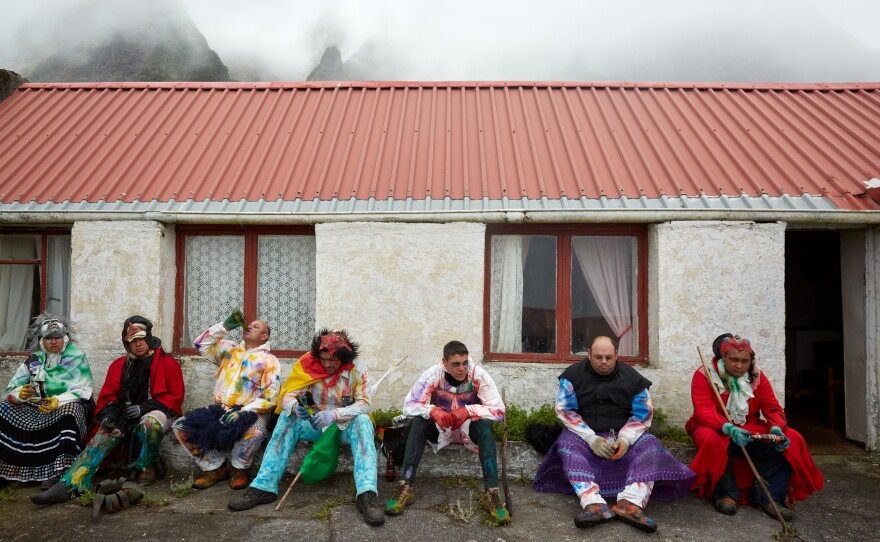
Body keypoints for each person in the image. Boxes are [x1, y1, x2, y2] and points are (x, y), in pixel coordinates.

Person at [533, 336, 696, 533]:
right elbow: (565, 410)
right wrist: (590, 438)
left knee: (651, 443)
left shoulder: (633, 379)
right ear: (589, 355)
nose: (604, 362)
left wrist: (626, 439)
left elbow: (643, 413)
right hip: (586, 437)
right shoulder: (572, 376)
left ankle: (630, 503)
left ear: (617, 356)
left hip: (623, 436)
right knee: (566, 443)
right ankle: (594, 504)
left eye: (609, 357)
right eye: (598, 357)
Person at [228, 329, 384, 526]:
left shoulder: (357, 369)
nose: (327, 364)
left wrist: (333, 415)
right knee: (287, 419)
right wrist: (293, 406)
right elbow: (288, 395)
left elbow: (365, 404)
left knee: (363, 421)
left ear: (343, 358)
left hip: (345, 424)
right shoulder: (307, 362)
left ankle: (367, 495)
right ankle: (263, 487)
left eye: (332, 360)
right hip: (316, 423)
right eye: (323, 359)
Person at [30, 315, 185, 505]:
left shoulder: (168, 363)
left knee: (149, 422)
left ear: (149, 338)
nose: (137, 344)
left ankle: (149, 466)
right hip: (125, 415)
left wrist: (144, 407)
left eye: (141, 339)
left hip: (159, 413)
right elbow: (108, 397)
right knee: (103, 434)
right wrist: (108, 415)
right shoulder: (119, 365)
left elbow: (175, 397)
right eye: (132, 341)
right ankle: (71, 483)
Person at [686, 334, 823, 520]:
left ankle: (769, 497)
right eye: (733, 360)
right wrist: (728, 428)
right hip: (714, 425)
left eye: (745, 361)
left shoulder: (757, 376)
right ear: (722, 358)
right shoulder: (705, 374)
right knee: (712, 439)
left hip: (750, 425)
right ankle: (726, 495)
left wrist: (776, 427)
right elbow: (703, 410)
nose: (739, 366)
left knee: (792, 439)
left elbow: (772, 407)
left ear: (751, 361)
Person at [384, 340, 510, 525]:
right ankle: (405, 486)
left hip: (468, 428)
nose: (462, 368)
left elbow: (499, 411)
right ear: (444, 363)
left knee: (485, 427)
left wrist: (469, 411)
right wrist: (432, 411)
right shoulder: (433, 374)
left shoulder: (477, 375)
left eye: (465, 363)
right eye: (456, 364)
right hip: (441, 428)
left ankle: (492, 494)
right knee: (418, 422)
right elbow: (409, 406)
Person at [172, 312, 280, 491]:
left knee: (256, 433)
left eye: (256, 326)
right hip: (220, 409)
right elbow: (201, 344)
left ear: (264, 336)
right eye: (249, 324)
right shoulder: (229, 349)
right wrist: (225, 326)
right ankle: (215, 468)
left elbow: (271, 397)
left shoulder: (269, 360)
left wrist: (244, 411)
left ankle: (238, 469)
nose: (250, 326)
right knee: (181, 427)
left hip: (252, 411)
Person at [1, 314, 93, 486]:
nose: (53, 342)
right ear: (41, 340)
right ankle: (11, 471)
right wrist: (20, 394)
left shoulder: (76, 357)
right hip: (41, 406)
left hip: (69, 404)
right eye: (48, 338)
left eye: (57, 337)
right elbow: (9, 390)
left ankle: (60, 473)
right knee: (4, 408)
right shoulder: (34, 359)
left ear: (65, 338)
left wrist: (58, 400)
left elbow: (84, 389)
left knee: (70, 411)